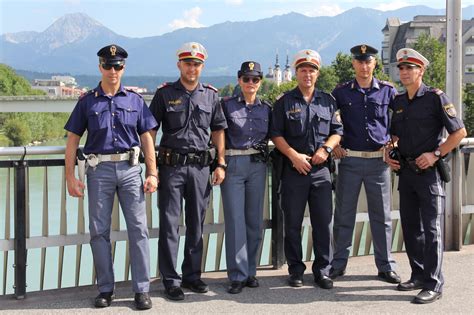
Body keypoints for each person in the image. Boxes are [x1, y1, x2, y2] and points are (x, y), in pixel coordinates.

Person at [64, 44, 157, 310]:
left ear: (123, 68)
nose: (113, 71)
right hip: (98, 171)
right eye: (108, 65)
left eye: (117, 66)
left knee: (138, 230)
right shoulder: (87, 101)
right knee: (98, 232)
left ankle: (142, 290)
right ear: (100, 67)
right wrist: (70, 176)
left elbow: (147, 138)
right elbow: (72, 140)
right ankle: (105, 288)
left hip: (130, 170)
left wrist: (152, 172)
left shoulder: (135, 100)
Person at [385, 48, 466, 304]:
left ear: (421, 70)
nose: (405, 72)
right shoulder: (398, 101)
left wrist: (435, 154)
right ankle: (418, 275)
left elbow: (459, 132)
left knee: (432, 229)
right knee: (410, 227)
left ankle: (434, 283)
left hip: (429, 173)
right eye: (401, 68)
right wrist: (390, 151)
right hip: (406, 172)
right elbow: (395, 135)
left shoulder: (435, 98)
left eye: (410, 68)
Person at [148, 42, 227, 301]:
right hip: (171, 168)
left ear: (202, 66)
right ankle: (171, 280)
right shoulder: (164, 94)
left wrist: (221, 163)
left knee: (196, 223)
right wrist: (152, 168)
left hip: (201, 168)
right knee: (170, 225)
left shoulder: (211, 95)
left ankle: (192, 276)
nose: (192, 68)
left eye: (196, 64)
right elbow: (149, 131)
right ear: (179, 65)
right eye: (187, 63)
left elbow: (217, 130)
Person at [269, 49, 343, 289]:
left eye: (312, 70)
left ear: (317, 73)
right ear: (297, 73)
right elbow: (276, 134)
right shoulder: (284, 101)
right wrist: (293, 156)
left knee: (323, 223)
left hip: (321, 171)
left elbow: (337, 131)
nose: (307, 74)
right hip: (294, 170)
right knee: (292, 224)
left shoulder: (328, 101)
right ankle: (296, 270)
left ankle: (323, 271)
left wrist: (327, 149)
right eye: (303, 70)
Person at [329, 44, 400, 283]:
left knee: (382, 217)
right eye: (359, 61)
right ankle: (338, 264)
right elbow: (327, 122)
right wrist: (332, 144)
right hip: (349, 160)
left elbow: (400, 120)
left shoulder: (388, 91)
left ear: (374, 64)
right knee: (344, 216)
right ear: (353, 64)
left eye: (368, 61)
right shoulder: (340, 92)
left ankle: (386, 265)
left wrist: (395, 141)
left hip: (379, 163)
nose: (363, 65)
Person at [220, 61, 272, 294]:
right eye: (246, 79)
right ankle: (237, 275)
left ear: (260, 82)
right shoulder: (226, 106)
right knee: (235, 220)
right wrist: (220, 163)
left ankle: (251, 271)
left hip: (258, 164)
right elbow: (218, 135)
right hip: (234, 163)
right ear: (239, 80)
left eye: (255, 79)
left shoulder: (267, 108)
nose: (251, 83)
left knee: (254, 221)